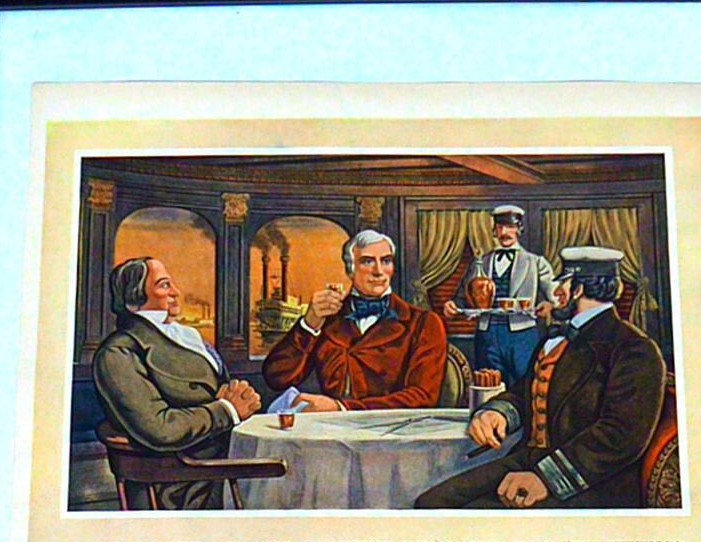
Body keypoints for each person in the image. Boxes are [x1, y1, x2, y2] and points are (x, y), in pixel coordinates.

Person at [415, 247, 665, 511]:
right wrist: (498, 412)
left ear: (577, 289)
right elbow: (525, 391)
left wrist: (546, 478)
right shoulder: (556, 338)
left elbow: (620, 436)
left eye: (562, 283)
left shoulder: (633, 348)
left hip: (589, 482)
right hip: (527, 459)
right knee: (431, 503)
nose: (555, 293)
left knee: (463, 516)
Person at [92, 256, 261, 509]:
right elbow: (160, 428)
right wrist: (227, 409)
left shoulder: (186, 336)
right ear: (134, 299)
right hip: (181, 486)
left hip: (220, 463)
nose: (176, 292)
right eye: (164, 285)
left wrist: (237, 396)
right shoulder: (119, 352)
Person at [261, 230, 446, 411]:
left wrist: (342, 407)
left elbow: (422, 396)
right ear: (350, 270)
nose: (378, 271)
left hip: (391, 427)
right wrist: (309, 325)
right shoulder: (328, 318)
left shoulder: (423, 323)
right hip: (329, 427)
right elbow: (277, 378)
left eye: (386, 261)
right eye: (367, 261)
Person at [444, 204, 554, 382]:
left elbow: (556, 294)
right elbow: (462, 297)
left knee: (524, 385)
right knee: (489, 384)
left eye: (510, 227)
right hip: (486, 335)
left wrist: (550, 304)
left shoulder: (535, 262)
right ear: (494, 230)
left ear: (519, 229)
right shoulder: (480, 263)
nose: (504, 232)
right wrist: (452, 305)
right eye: (500, 227)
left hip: (522, 336)